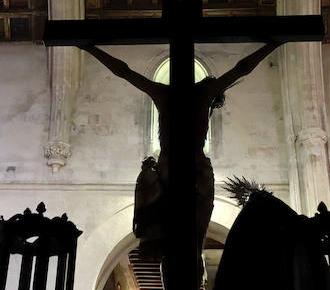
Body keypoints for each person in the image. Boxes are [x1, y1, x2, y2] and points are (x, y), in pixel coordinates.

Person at [84, 41, 281, 255]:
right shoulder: (206, 93)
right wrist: (274, 44)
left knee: (165, 228)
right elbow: (242, 69)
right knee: (194, 234)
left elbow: (125, 72)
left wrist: (90, 48)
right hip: (195, 169)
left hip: (169, 166)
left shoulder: (162, 92)